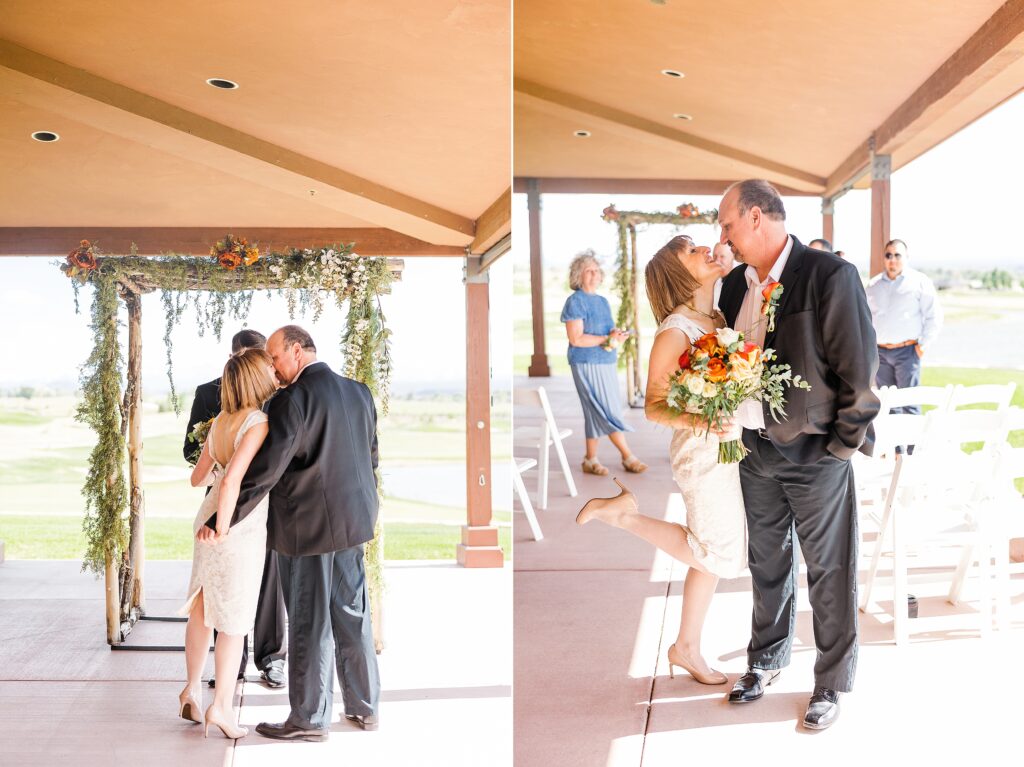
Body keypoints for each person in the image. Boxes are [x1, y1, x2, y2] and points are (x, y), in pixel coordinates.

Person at [716, 179, 879, 730]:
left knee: (829, 571)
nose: (726, 236)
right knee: (767, 564)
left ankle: (830, 683)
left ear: (757, 217)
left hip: (817, 456)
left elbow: (859, 371)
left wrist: (841, 447)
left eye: (729, 224)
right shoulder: (736, 285)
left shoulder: (830, 275)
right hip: (753, 452)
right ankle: (765, 660)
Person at [575, 234, 747, 685]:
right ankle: (624, 517)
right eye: (692, 251)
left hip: (723, 444)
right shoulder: (675, 329)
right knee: (718, 553)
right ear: (678, 273)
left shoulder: (714, 316)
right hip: (701, 452)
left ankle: (686, 647)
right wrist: (705, 422)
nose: (705, 250)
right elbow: (654, 405)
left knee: (710, 553)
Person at [221, 325, 381, 742]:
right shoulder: (358, 391)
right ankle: (365, 706)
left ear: (296, 350)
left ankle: (309, 719)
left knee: (309, 622)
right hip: (355, 521)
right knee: (352, 613)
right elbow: (372, 456)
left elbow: (266, 473)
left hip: (307, 528)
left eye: (274, 358)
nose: (272, 368)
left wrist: (223, 519)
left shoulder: (291, 401)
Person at [178, 348, 279, 739]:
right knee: (234, 619)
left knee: (202, 608)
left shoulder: (220, 419)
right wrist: (223, 527)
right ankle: (220, 707)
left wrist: (214, 498)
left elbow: (198, 477)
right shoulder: (257, 422)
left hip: (205, 514)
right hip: (236, 525)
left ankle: (190, 688)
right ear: (257, 378)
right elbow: (235, 481)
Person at [560, 250, 647, 476]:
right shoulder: (575, 301)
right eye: (588, 270)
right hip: (585, 363)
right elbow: (576, 339)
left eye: (597, 270)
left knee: (594, 411)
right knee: (605, 410)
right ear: (578, 276)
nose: (594, 274)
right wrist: (607, 339)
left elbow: (603, 332)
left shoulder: (602, 301)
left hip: (606, 362)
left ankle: (590, 459)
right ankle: (628, 456)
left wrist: (615, 335)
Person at [865, 238, 943, 414]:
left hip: (907, 353)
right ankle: (896, 443)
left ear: (906, 257)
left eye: (897, 255)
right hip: (881, 355)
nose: (892, 259)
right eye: (888, 255)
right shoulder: (873, 285)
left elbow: (933, 316)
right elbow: (865, 320)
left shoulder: (920, 281)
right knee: (888, 406)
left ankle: (912, 443)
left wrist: (922, 347)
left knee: (910, 404)